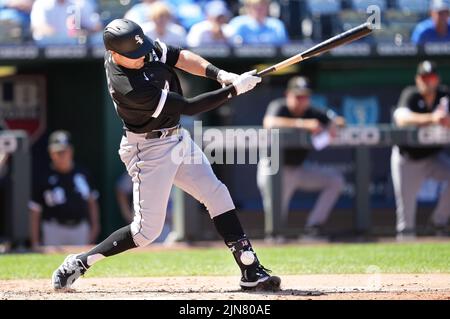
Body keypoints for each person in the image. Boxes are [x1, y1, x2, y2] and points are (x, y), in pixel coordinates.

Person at [51, 18, 281, 292]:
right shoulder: (129, 87)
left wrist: (221, 75)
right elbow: (190, 107)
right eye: (133, 56)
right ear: (114, 54)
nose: (141, 57)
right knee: (146, 232)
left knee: (217, 193)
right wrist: (233, 90)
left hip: (177, 137)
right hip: (149, 150)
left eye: (141, 50)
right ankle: (81, 262)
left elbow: (179, 56)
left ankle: (249, 266)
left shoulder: (136, 48)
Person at [257, 76, 345, 239]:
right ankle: (274, 240)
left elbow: (338, 120)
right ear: (288, 95)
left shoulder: (312, 111)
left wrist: (334, 125)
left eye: (305, 96)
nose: (301, 100)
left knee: (335, 181)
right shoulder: (279, 106)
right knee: (276, 217)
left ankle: (313, 226)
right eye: (297, 96)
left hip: (298, 169)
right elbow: (269, 122)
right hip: (273, 168)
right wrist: (302, 124)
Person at [391, 60, 450, 240]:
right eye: (424, 78)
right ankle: (404, 261)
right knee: (406, 220)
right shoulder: (411, 95)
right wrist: (433, 118)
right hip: (407, 159)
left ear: (437, 79)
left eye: (431, 77)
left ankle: (438, 220)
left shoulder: (444, 95)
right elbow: (401, 118)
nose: (428, 82)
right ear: (418, 79)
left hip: (432, 157)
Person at [29, 130, 100, 249]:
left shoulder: (82, 173)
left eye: (64, 151)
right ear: (51, 153)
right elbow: (35, 211)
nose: (62, 155)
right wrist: (35, 241)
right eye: (58, 152)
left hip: (80, 228)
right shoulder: (43, 177)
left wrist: (95, 227)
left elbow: (92, 202)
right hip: (53, 229)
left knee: (81, 264)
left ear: (71, 151)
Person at [115, 172, 172, 242]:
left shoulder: (174, 167)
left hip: (169, 225)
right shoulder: (143, 167)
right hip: (144, 223)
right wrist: (127, 215)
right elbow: (121, 189)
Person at [30, 0, 102, 45]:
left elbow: (96, 26)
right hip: (47, 46)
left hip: (74, 48)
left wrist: (84, 32)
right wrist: (63, 37)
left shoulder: (80, 3)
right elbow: (38, 27)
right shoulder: (41, 3)